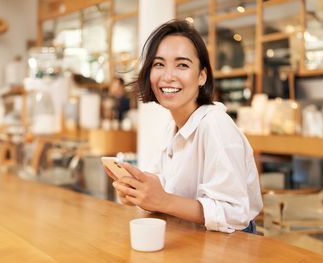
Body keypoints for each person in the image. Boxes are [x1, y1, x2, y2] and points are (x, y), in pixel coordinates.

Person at [107, 20, 262, 234]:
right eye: (159, 64)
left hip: (230, 244)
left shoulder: (215, 124)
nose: (168, 76)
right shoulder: (173, 125)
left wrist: (162, 201)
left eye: (182, 65)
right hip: (189, 236)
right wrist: (140, 193)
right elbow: (168, 185)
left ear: (202, 76)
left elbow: (234, 213)